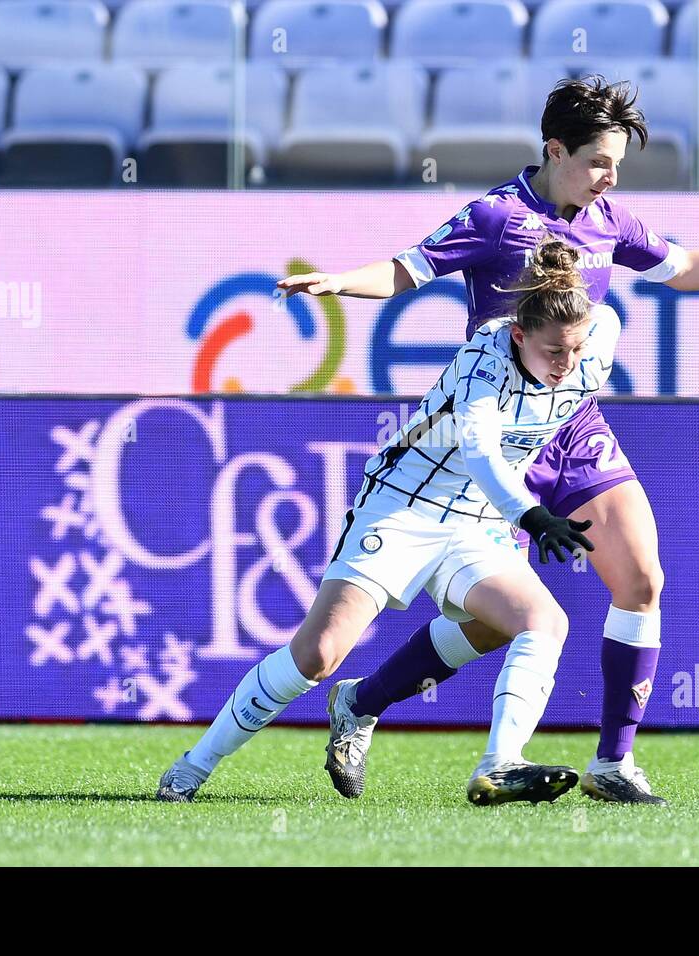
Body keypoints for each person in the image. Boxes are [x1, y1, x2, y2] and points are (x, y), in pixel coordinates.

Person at [278, 75, 699, 804]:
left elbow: (685, 271)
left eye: (617, 163)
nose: (610, 177)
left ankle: (613, 763)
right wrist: (339, 282)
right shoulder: (495, 217)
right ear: (554, 151)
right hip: (501, 446)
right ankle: (361, 703)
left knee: (643, 578)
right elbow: (407, 269)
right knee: (488, 630)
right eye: (598, 162)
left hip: (577, 431)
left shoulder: (609, 221)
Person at [159, 235, 623, 805]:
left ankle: (500, 763)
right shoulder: (486, 355)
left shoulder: (601, 331)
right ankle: (191, 768)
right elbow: (478, 449)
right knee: (319, 655)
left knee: (540, 621)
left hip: (476, 519)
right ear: (520, 334)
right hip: (404, 505)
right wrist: (529, 513)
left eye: (576, 349)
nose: (568, 364)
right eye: (554, 351)